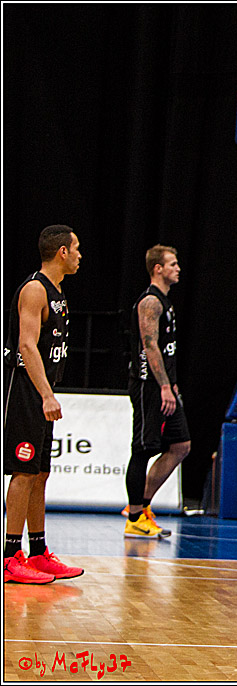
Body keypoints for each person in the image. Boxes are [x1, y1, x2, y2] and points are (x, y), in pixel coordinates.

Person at [4, 225, 85, 584]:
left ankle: (37, 553)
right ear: (62, 252)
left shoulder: (59, 294)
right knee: (22, 473)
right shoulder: (35, 289)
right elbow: (26, 345)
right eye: (77, 248)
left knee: (40, 473)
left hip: (42, 389)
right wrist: (46, 394)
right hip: (23, 389)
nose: (81, 255)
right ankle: (9, 557)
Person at [124, 245, 190, 539]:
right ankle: (135, 516)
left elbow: (167, 349)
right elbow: (150, 346)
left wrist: (172, 382)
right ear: (158, 269)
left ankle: (142, 506)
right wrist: (163, 385)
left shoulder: (166, 301)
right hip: (147, 385)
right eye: (172, 264)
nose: (178, 268)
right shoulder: (150, 302)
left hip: (165, 384)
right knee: (143, 448)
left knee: (181, 445)